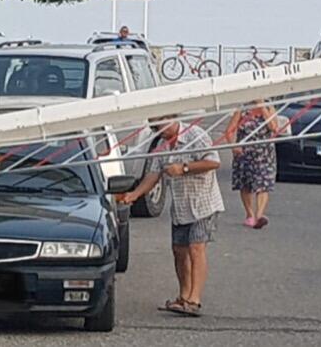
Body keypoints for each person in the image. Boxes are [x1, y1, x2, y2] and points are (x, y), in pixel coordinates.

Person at [119, 115, 224, 317]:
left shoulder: (194, 134)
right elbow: (153, 174)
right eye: (155, 128)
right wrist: (134, 195)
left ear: (172, 118)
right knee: (179, 250)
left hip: (203, 203)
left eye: (161, 125)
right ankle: (183, 296)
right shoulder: (161, 145)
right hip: (181, 206)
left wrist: (184, 168)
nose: (160, 130)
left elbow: (213, 162)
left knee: (196, 247)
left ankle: (194, 299)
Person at [225, 99, 278, 229]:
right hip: (245, 153)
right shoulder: (242, 108)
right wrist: (234, 146)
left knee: (263, 183)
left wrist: (263, 108)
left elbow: (274, 128)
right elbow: (229, 131)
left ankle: (259, 215)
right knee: (246, 184)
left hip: (264, 153)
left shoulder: (269, 107)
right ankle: (250, 215)